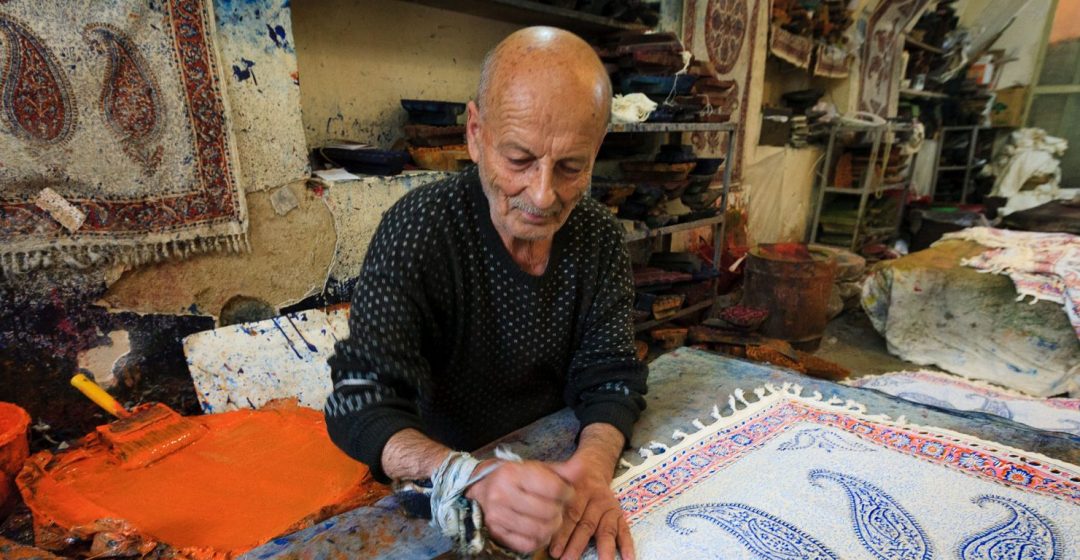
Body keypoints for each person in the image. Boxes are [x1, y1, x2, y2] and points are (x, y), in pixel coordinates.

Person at [324, 26, 646, 560]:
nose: (543, 195)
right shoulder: (419, 228)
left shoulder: (600, 237)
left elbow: (610, 375)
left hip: (555, 470)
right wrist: (463, 474)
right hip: (438, 478)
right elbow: (360, 401)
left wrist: (590, 470)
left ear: (597, 151)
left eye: (571, 167)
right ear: (475, 133)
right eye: (519, 159)